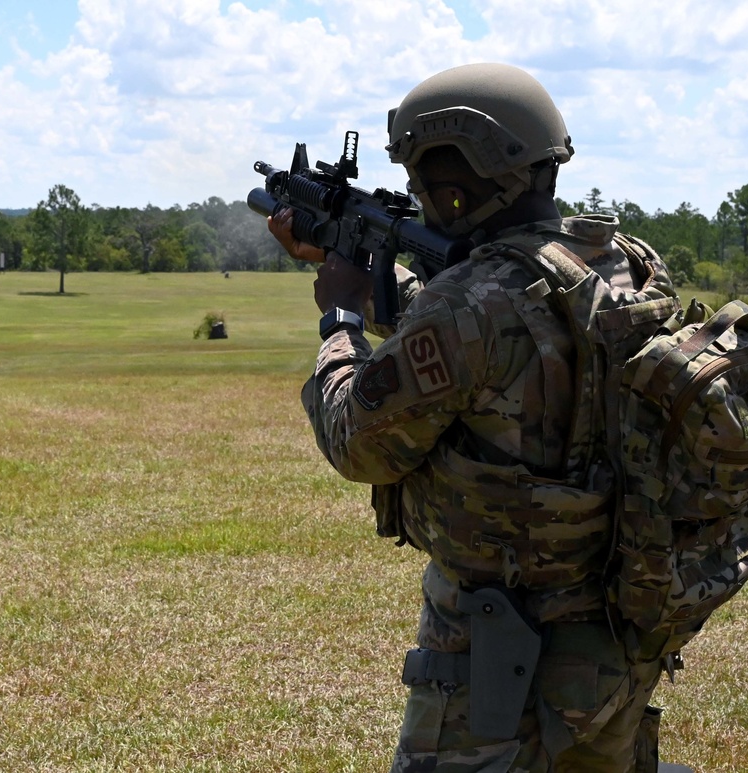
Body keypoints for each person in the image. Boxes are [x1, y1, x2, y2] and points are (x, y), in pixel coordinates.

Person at [267, 63, 680, 772]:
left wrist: (338, 317)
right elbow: (492, 335)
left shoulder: (469, 303)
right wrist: (375, 282)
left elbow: (359, 445)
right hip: (613, 634)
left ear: (454, 175)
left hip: (496, 653)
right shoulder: (624, 268)